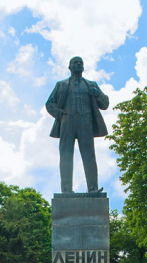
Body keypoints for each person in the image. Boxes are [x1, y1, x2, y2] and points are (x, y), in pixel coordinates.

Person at [45, 56, 110, 194]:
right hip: (66, 121)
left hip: (86, 122)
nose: (78, 64)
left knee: (89, 156)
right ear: (69, 67)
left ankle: (93, 188)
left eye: (81, 63)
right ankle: (66, 190)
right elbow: (49, 103)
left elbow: (105, 104)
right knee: (66, 156)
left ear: (84, 67)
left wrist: (97, 94)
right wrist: (60, 114)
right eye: (75, 63)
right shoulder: (61, 85)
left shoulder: (91, 84)